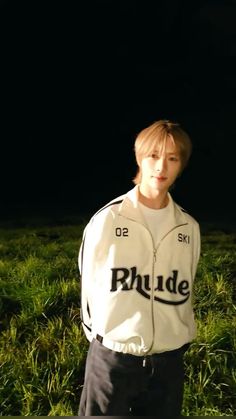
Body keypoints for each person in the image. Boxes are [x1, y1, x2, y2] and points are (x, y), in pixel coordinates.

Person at [78, 119, 201, 417]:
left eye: (172, 159)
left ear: (181, 164)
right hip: (114, 359)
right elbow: (89, 286)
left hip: (168, 363)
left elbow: (186, 288)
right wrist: (108, 341)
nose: (161, 167)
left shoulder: (188, 226)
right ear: (140, 158)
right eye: (154, 156)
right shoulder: (108, 219)